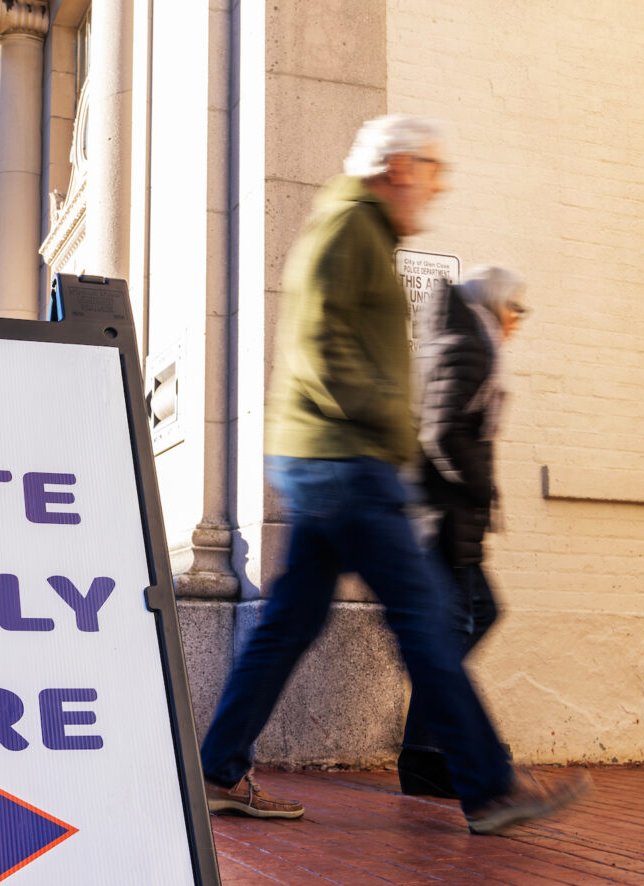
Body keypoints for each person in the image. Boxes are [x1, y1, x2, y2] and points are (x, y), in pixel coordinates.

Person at [200, 115, 589, 835]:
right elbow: (320, 346)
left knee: (290, 623)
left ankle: (218, 769)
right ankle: (490, 788)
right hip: (347, 460)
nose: (436, 190)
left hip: (325, 457)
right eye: (432, 172)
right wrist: (386, 433)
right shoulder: (349, 227)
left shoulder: (362, 231)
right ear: (400, 169)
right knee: (426, 616)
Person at [398, 266, 526, 798]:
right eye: (518, 307)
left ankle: (426, 755)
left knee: (458, 629)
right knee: (448, 638)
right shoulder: (470, 343)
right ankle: (462, 763)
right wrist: (479, 487)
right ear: (498, 303)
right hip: (444, 520)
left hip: (450, 519)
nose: (520, 320)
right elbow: (443, 431)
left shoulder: (470, 339)